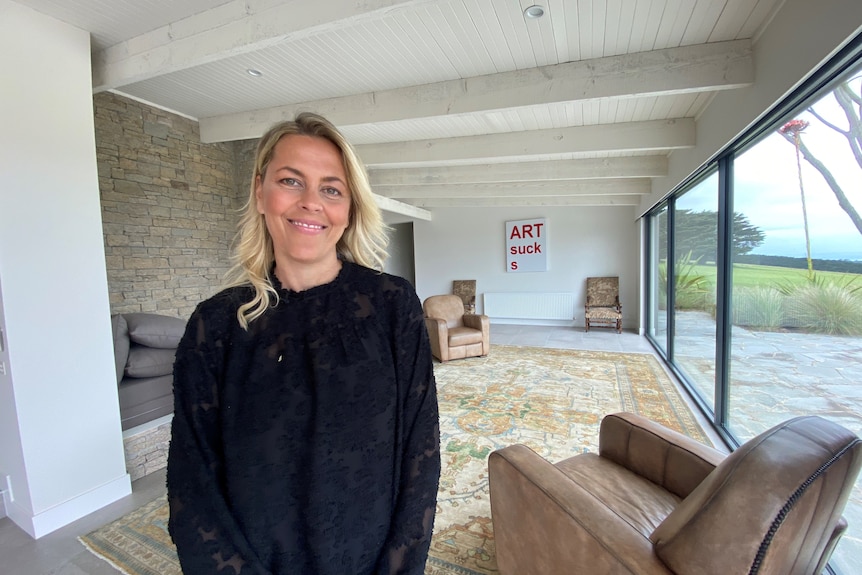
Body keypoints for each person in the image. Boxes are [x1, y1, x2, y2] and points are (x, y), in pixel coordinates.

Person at [166, 112, 441, 575]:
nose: (311, 202)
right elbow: (192, 487)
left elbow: (422, 456)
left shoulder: (394, 306)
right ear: (260, 191)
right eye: (291, 181)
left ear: (349, 207)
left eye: (331, 188)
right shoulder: (213, 326)